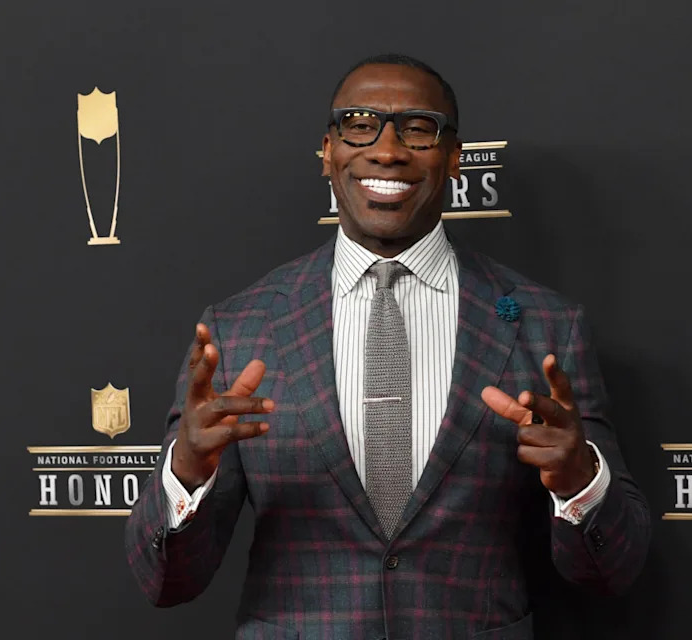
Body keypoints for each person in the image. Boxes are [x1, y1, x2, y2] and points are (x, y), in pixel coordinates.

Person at [125, 53, 650, 639]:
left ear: (455, 158)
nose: (387, 149)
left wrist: (580, 480)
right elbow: (165, 582)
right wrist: (187, 471)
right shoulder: (239, 329)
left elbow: (613, 570)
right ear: (327, 152)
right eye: (358, 124)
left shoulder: (545, 325)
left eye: (418, 128)